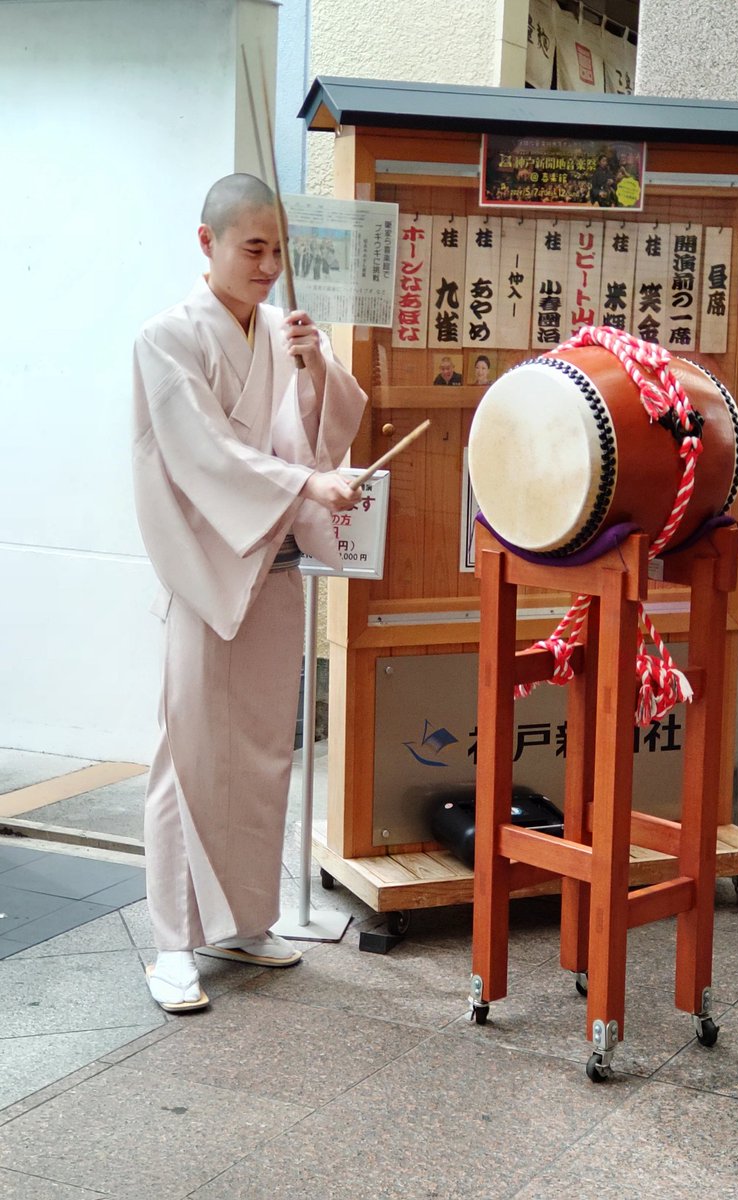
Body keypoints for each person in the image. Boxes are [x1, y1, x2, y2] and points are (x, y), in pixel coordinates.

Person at [132, 173, 366, 1013]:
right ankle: (171, 945)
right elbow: (203, 455)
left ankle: (244, 922)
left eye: (278, 250)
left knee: (264, 756)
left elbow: (323, 426)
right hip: (206, 576)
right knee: (188, 760)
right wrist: (307, 489)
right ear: (208, 244)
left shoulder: (279, 330)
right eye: (252, 248)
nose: (269, 266)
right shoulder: (165, 338)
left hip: (273, 572)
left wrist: (314, 370)